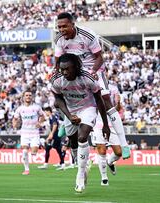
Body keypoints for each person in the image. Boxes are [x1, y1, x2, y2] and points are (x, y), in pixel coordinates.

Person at [54, 12, 130, 159]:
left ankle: (124, 144)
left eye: (64, 26)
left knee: (106, 100)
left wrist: (94, 72)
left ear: (72, 24)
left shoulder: (88, 35)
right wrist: (55, 74)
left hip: (93, 68)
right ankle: (65, 121)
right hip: (74, 70)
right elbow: (58, 61)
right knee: (59, 95)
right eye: (59, 27)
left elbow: (99, 57)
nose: (62, 30)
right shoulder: (59, 39)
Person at [51, 53, 110, 193]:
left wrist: (106, 125)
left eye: (68, 69)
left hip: (88, 108)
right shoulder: (57, 80)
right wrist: (70, 116)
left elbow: (100, 101)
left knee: (82, 137)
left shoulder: (88, 78)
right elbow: (58, 101)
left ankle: (80, 175)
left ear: (76, 67)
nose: (65, 72)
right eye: (62, 69)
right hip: (70, 110)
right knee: (73, 142)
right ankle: (82, 164)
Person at [90, 82, 123, 186]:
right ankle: (104, 178)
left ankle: (110, 162)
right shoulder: (90, 86)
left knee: (119, 152)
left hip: (111, 124)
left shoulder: (113, 88)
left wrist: (118, 104)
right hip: (97, 124)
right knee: (102, 150)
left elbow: (116, 110)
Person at [12, 90, 45, 175]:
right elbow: (15, 118)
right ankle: (26, 169)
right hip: (24, 132)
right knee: (25, 151)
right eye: (26, 95)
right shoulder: (20, 109)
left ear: (32, 97)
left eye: (30, 95)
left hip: (34, 132)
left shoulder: (37, 107)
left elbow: (42, 116)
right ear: (23, 97)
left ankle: (39, 144)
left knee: (33, 153)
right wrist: (14, 125)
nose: (28, 97)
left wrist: (40, 122)